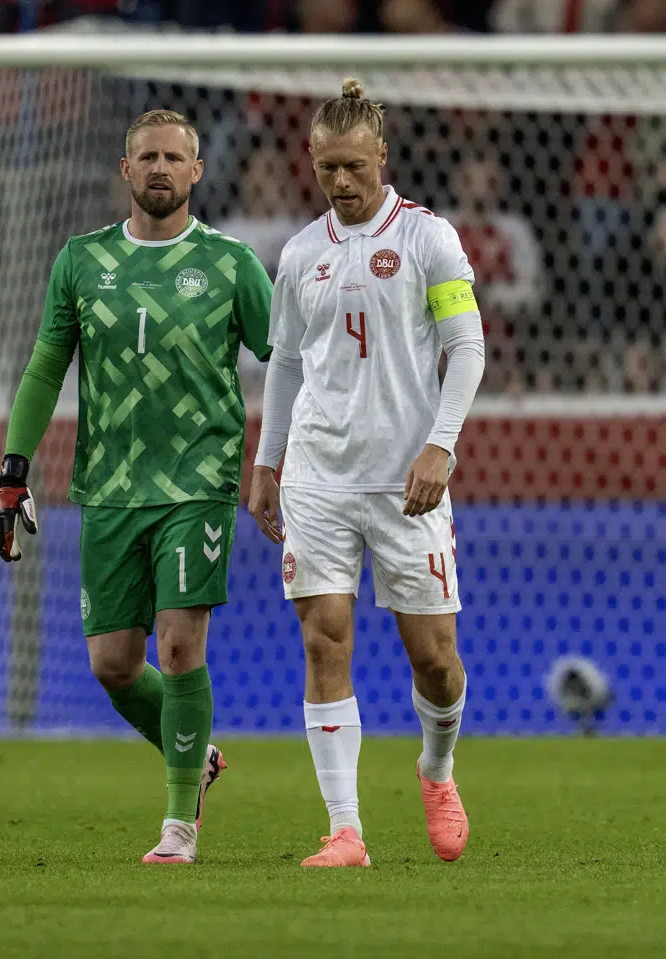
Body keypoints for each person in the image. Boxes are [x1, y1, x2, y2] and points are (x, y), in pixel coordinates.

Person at [0, 109, 274, 866]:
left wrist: (283, 460)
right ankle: (198, 756)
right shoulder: (81, 261)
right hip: (110, 485)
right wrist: (13, 473)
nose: (158, 167)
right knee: (113, 664)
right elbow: (47, 365)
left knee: (180, 646)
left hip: (197, 479)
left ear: (196, 171)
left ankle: (179, 825)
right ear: (125, 170)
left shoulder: (230, 262)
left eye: (173, 157)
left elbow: (289, 362)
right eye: (145, 155)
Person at [247, 79, 486, 868]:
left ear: (381, 156)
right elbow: (284, 364)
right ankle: (345, 829)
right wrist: (268, 459)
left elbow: (466, 347)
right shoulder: (301, 253)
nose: (342, 183)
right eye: (327, 169)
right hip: (319, 475)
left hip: (406, 478)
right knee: (325, 639)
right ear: (311, 162)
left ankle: (437, 768)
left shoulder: (429, 239)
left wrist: (440, 444)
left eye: (354, 166)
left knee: (436, 660)